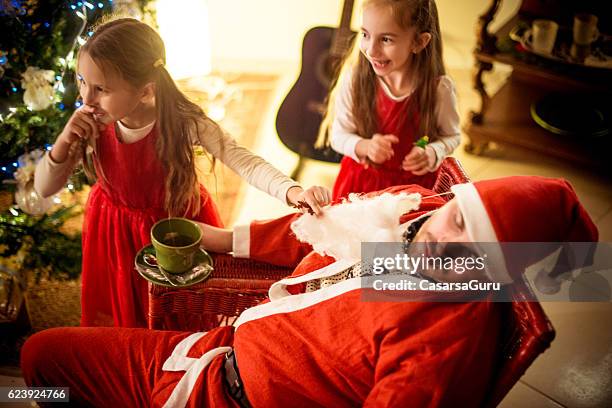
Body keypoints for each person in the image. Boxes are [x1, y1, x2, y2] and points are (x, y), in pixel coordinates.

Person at [21, 176, 598, 407]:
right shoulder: (406, 214)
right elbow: (311, 233)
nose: (447, 247)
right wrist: (221, 236)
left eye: (477, 255)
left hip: (226, 401)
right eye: (460, 221)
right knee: (38, 361)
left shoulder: (447, 331)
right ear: (450, 203)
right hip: (198, 354)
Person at [34, 18, 331, 328]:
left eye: (100, 89)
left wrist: (292, 191)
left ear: (145, 91)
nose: (86, 98)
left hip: (173, 233)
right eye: (82, 81)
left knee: (178, 318)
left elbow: (243, 160)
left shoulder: (184, 122)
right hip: (112, 229)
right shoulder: (93, 118)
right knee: (125, 312)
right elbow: (43, 188)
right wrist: (64, 141)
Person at [319, 0, 461, 200]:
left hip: (414, 192)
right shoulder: (355, 79)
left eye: (386, 39)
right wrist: (365, 146)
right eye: (365, 35)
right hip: (361, 188)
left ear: (419, 42)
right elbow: (338, 136)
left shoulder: (439, 90)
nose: (371, 50)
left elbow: (449, 136)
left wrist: (429, 150)